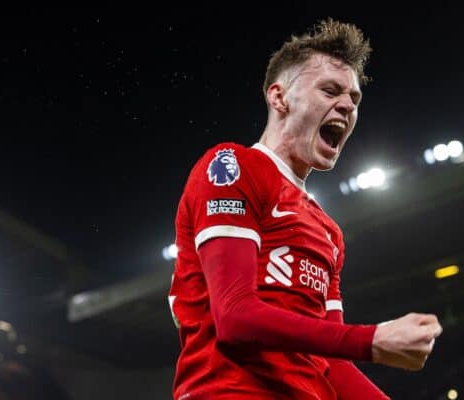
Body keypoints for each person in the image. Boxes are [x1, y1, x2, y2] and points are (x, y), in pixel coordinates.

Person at [168, 18, 442, 400]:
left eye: (354, 99)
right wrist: (371, 339)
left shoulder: (328, 232)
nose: (347, 105)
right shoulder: (233, 167)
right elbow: (234, 316)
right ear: (279, 98)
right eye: (330, 90)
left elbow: (330, 363)